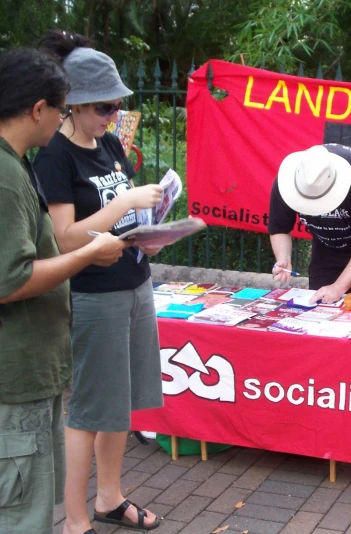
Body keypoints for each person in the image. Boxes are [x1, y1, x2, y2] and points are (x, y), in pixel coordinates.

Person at [34, 30, 165, 533]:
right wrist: (124, 205)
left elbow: (119, 223)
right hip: (93, 295)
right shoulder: (55, 157)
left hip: (133, 282)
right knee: (87, 409)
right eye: (104, 108)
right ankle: (75, 519)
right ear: (73, 105)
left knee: (119, 404)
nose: (113, 118)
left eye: (116, 108)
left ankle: (110, 498)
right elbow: (65, 238)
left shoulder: (108, 143)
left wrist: (150, 234)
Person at [0, 47, 125, 534]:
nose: (61, 122)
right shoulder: (8, 176)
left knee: (28, 495)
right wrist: (86, 255)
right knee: (21, 509)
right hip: (16, 369)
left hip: (32, 367)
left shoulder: (16, 165)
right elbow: (10, 281)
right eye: (60, 109)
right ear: (38, 109)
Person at [269, 143, 351, 303]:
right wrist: (284, 258)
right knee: (319, 304)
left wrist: (338, 287)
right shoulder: (288, 179)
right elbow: (279, 227)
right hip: (327, 246)